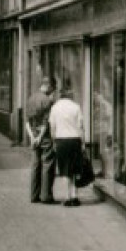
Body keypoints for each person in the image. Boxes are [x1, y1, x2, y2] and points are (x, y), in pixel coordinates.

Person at [48, 79, 86, 207]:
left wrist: (53, 141)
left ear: (60, 95)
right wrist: (83, 143)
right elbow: (80, 126)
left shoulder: (55, 108)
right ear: (69, 94)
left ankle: (66, 197)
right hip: (74, 140)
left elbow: (52, 127)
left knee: (64, 169)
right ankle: (74, 195)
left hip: (61, 140)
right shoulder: (76, 107)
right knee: (74, 169)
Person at [24, 76, 57, 204]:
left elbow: (27, 121)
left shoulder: (31, 98)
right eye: (52, 88)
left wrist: (32, 137)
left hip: (33, 135)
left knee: (35, 165)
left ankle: (34, 195)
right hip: (44, 137)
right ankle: (45, 196)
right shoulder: (47, 101)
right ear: (48, 86)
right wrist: (40, 137)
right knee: (47, 165)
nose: (52, 91)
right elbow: (46, 122)